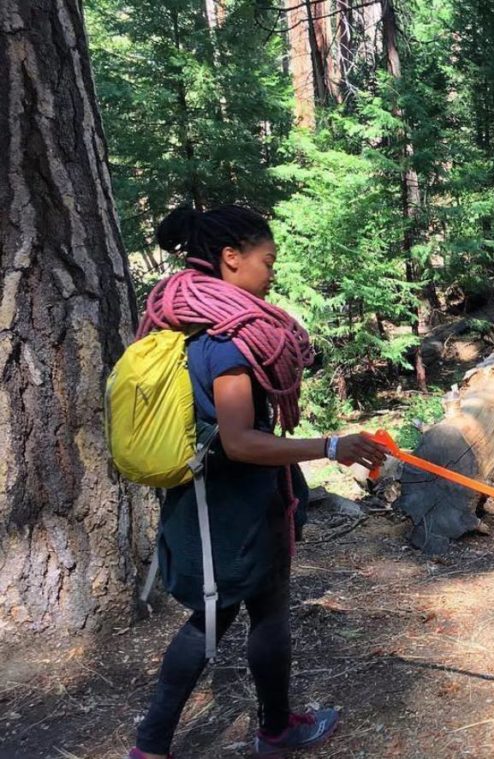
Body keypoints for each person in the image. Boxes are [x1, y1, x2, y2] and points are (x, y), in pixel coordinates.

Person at [127, 206, 390, 759]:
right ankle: (152, 746)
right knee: (212, 622)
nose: (272, 272)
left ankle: (276, 727)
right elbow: (241, 441)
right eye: (266, 261)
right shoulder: (225, 345)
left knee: (265, 611)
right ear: (231, 257)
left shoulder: (204, 329)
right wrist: (331, 447)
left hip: (240, 503)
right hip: (229, 511)